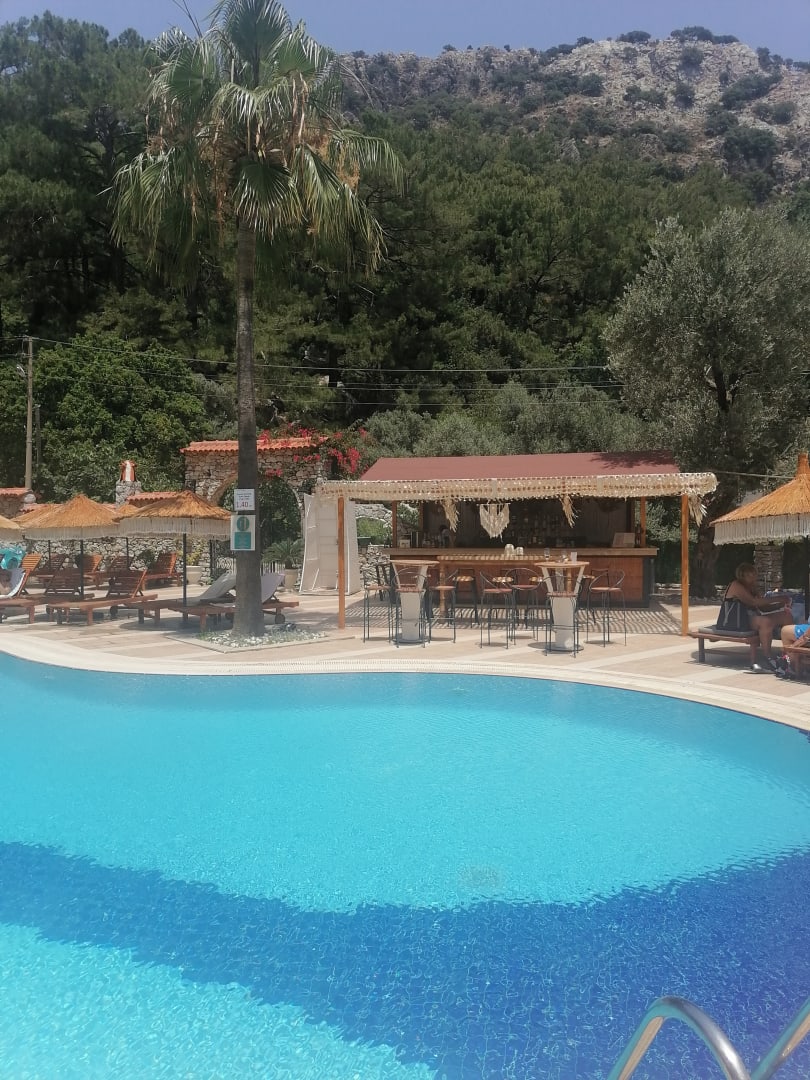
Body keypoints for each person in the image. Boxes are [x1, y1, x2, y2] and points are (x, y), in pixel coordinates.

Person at [719, 562, 793, 672]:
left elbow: (763, 608)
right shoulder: (736, 585)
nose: (754, 577)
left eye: (754, 574)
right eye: (750, 575)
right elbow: (753, 602)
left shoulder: (752, 588)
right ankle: (768, 657)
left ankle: (790, 654)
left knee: (786, 616)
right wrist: (778, 598)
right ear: (742, 575)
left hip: (750, 618)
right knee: (765, 622)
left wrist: (780, 605)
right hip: (734, 621)